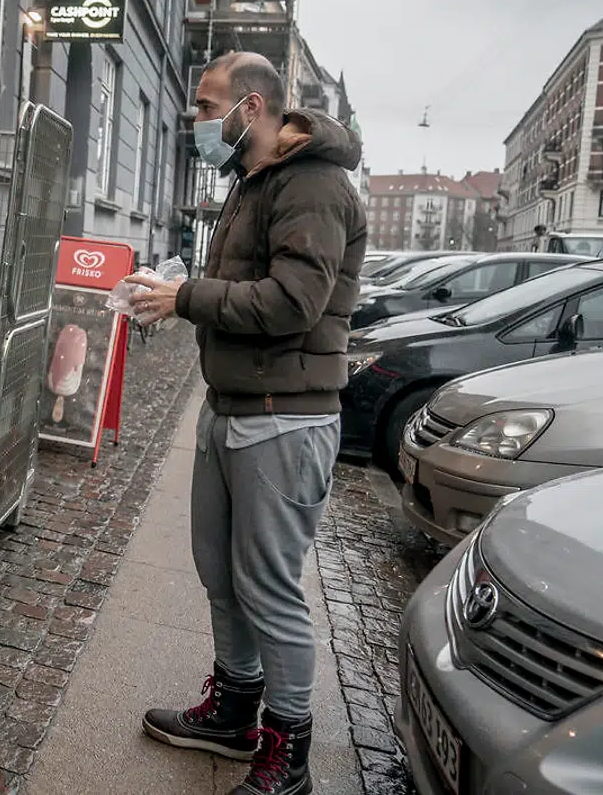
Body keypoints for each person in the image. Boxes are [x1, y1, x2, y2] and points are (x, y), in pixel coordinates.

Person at [127, 52, 365, 795]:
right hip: (233, 408)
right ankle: (234, 713)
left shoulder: (315, 182)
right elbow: (241, 287)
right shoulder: (251, 182)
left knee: (268, 588)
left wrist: (184, 297)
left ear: (251, 106)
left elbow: (293, 302)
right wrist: (180, 291)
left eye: (205, 107)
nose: (197, 121)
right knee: (220, 576)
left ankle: (287, 751)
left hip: (284, 420)